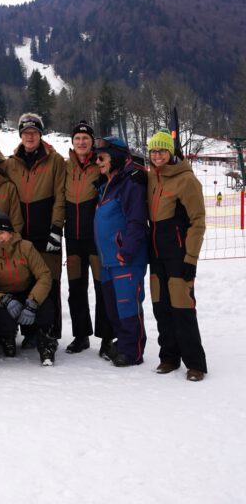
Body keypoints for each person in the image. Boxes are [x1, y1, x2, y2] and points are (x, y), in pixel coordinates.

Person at [147, 128, 207, 381]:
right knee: (161, 308)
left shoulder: (187, 180)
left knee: (183, 308)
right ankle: (169, 357)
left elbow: (198, 221)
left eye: (162, 150)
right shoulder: (151, 177)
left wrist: (190, 259)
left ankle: (195, 363)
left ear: (170, 152)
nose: (157, 155)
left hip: (178, 255)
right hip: (156, 254)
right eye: (153, 151)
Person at [4, 113, 66, 343]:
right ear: (20, 135)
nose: (30, 136)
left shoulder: (55, 160)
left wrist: (56, 227)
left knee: (49, 280)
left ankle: (50, 331)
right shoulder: (11, 162)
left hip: (46, 229)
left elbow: (60, 195)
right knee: (26, 280)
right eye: (25, 132)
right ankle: (30, 332)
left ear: (40, 134)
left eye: (34, 132)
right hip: (21, 233)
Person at [93, 136, 148, 367]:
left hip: (124, 258)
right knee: (114, 308)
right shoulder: (108, 183)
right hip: (107, 261)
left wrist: (126, 252)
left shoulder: (130, 184)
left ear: (115, 157)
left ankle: (133, 351)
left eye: (102, 157)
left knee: (127, 306)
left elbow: (136, 222)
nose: (97, 161)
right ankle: (123, 343)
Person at [64, 121, 115, 357]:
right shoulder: (66, 167)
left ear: (92, 142)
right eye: (77, 139)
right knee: (76, 287)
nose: (81, 142)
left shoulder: (100, 164)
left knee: (101, 287)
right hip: (72, 238)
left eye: (85, 138)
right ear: (72, 143)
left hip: (96, 238)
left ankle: (106, 338)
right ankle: (81, 335)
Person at [0, 211, 55, 363]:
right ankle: (6, 338)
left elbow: (44, 275)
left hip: (28, 292)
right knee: (3, 319)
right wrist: (3, 299)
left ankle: (46, 343)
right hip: (6, 297)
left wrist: (33, 302)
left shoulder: (25, 247)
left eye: (2, 233)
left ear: (10, 233)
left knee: (46, 306)